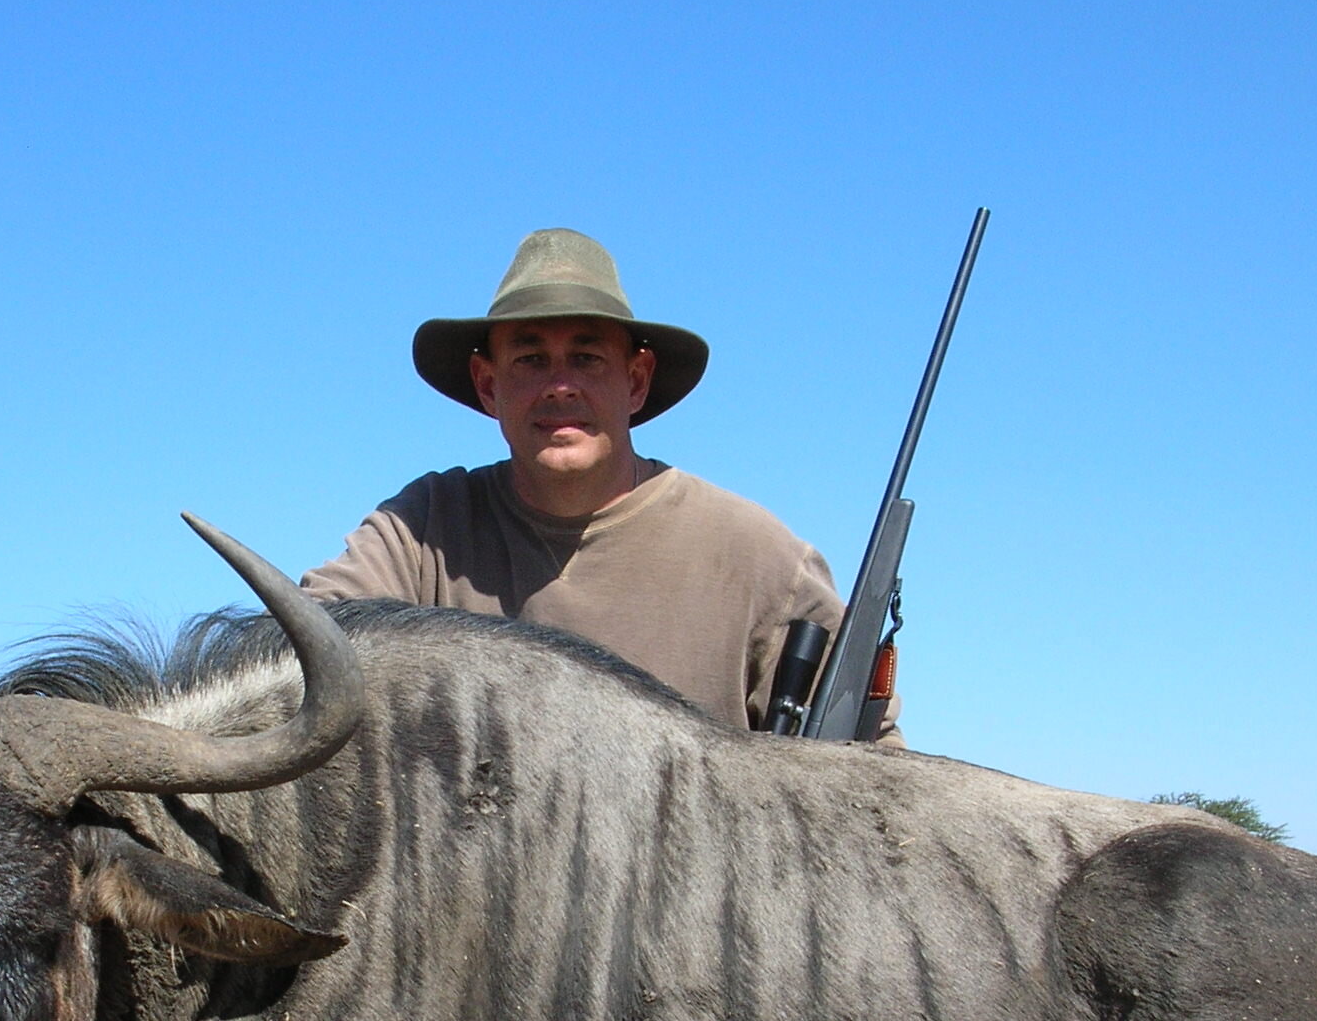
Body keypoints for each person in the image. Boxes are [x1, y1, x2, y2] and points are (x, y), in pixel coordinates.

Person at [303, 229, 884, 734]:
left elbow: (866, 762)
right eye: (530, 359)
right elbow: (304, 646)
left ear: (636, 380)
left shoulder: (759, 558)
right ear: (487, 384)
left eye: (587, 359)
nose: (560, 387)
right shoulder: (422, 529)